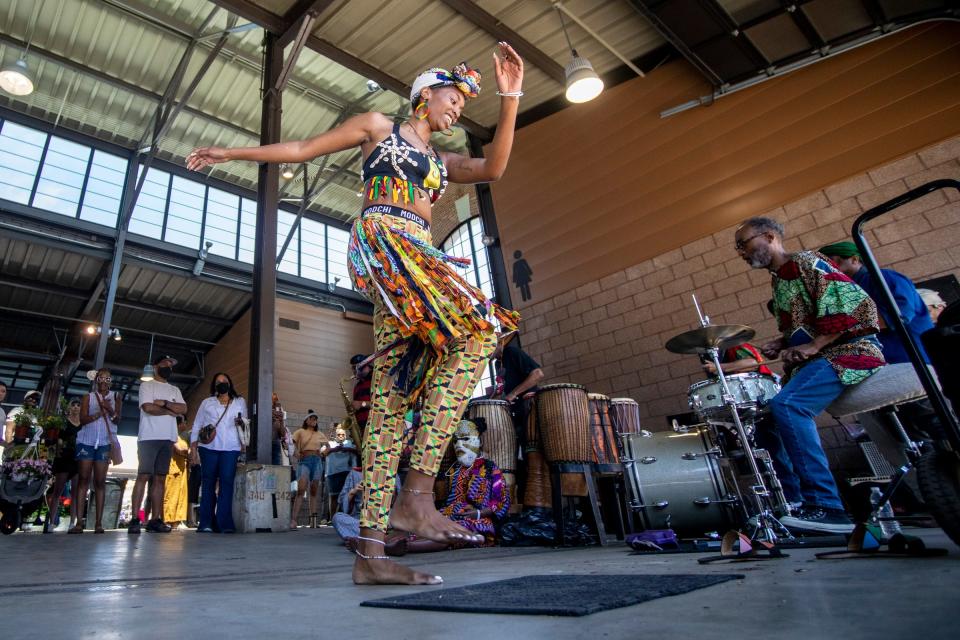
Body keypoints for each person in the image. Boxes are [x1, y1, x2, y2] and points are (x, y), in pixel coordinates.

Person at [188, 44, 524, 585]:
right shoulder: (378, 126)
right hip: (388, 243)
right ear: (424, 94)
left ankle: (371, 554)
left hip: (422, 256)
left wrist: (510, 98)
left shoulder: (441, 162)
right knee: (480, 327)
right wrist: (232, 153)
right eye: (452, 97)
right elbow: (301, 147)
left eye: (463, 103)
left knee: (393, 394)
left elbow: (496, 166)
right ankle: (416, 498)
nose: (457, 109)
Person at [735, 217, 885, 534]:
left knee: (788, 406)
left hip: (852, 351)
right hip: (822, 355)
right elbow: (806, 326)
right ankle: (794, 503)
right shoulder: (779, 280)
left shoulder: (807, 261)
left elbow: (854, 307)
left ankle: (827, 507)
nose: (741, 252)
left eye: (744, 243)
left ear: (770, 236)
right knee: (765, 420)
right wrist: (783, 342)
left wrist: (815, 345)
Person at [820, 241, 934, 365]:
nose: (828, 269)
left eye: (834, 261)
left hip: (912, 361)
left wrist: (837, 332)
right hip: (885, 365)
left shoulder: (882, 277)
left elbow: (900, 315)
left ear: (854, 259)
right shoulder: (845, 292)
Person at [130, 356, 187, 534]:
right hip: (148, 437)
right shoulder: (147, 386)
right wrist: (171, 411)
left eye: (171, 365)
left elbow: (184, 409)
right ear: (155, 367)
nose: (168, 367)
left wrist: (164, 404)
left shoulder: (174, 389)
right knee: (144, 475)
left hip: (168, 438)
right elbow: (147, 408)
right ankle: (134, 519)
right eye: (165, 364)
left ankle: (156, 519)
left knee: (161, 478)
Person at [189, 373, 246, 533]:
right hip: (208, 448)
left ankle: (224, 523)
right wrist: (193, 446)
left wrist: (241, 423)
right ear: (214, 385)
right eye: (218, 382)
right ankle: (206, 522)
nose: (222, 384)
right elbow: (197, 423)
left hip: (231, 448)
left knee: (227, 484)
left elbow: (246, 423)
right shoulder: (207, 402)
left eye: (225, 381)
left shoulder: (239, 402)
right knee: (208, 484)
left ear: (230, 383)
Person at [438, 419, 510, 546]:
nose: (459, 445)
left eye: (465, 439)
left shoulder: (490, 468)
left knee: (453, 531)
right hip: (450, 515)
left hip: (479, 520)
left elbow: (502, 501)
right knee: (430, 526)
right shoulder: (453, 471)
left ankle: (410, 546)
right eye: (455, 441)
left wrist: (478, 513)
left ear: (479, 442)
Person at [73, 370, 121, 534]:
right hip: (87, 441)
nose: (104, 381)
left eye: (108, 378)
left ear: (111, 381)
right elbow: (82, 419)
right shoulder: (89, 397)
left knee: (100, 481)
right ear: (96, 380)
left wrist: (110, 409)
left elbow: (118, 419)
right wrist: (98, 414)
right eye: (101, 377)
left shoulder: (116, 397)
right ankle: (79, 522)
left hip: (104, 443)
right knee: (83, 479)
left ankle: (99, 523)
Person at [43, 396, 82, 533]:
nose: (76, 407)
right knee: (57, 491)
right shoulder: (63, 422)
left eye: (78, 405)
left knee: (76, 492)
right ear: (69, 407)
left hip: (78, 458)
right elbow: (56, 438)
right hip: (64, 457)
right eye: (73, 405)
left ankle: (73, 522)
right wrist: (59, 444)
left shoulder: (83, 423)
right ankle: (52, 522)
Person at [291, 411, 325, 529]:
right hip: (304, 461)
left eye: (315, 419)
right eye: (311, 418)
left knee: (314, 491)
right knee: (301, 490)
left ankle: (313, 522)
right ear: (306, 420)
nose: (314, 421)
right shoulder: (300, 431)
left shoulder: (320, 433)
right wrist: (295, 454)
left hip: (317, 461)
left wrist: (324, 452)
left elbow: (327, 446)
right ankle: (294, 520)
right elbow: (290, 443)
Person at [323, 425, 359, 520]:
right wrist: (334, 449)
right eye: (339, 435)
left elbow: (357, 451)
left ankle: (344, 517)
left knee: (346, 496)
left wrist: (347, 449)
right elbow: (323, 453)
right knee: (333, 496)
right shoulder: (330, 443)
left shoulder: (349, 443)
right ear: (335, 435)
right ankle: (332, 519)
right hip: (332, 472)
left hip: (346, 472)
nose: (341, 436)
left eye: (343, 435)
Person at [164, 417, 190, 529]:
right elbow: (179, 450)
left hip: (182, 470)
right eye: (184, 422)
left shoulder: (181, 438)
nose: (185, 424)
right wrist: (190, 452)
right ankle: (167, 520)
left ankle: (177, 521)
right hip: (172, 470)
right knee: (170, 496)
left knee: (181, 496)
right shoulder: (171, 436)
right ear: (179, 425)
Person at [350, 353, 372, 436]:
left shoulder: (375, 380)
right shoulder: (357, 386)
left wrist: (361, 404)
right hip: (361, 429)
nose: (354, 371)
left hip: (373, 427)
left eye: (355, 368)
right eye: (352, 368)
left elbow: (381, 404)